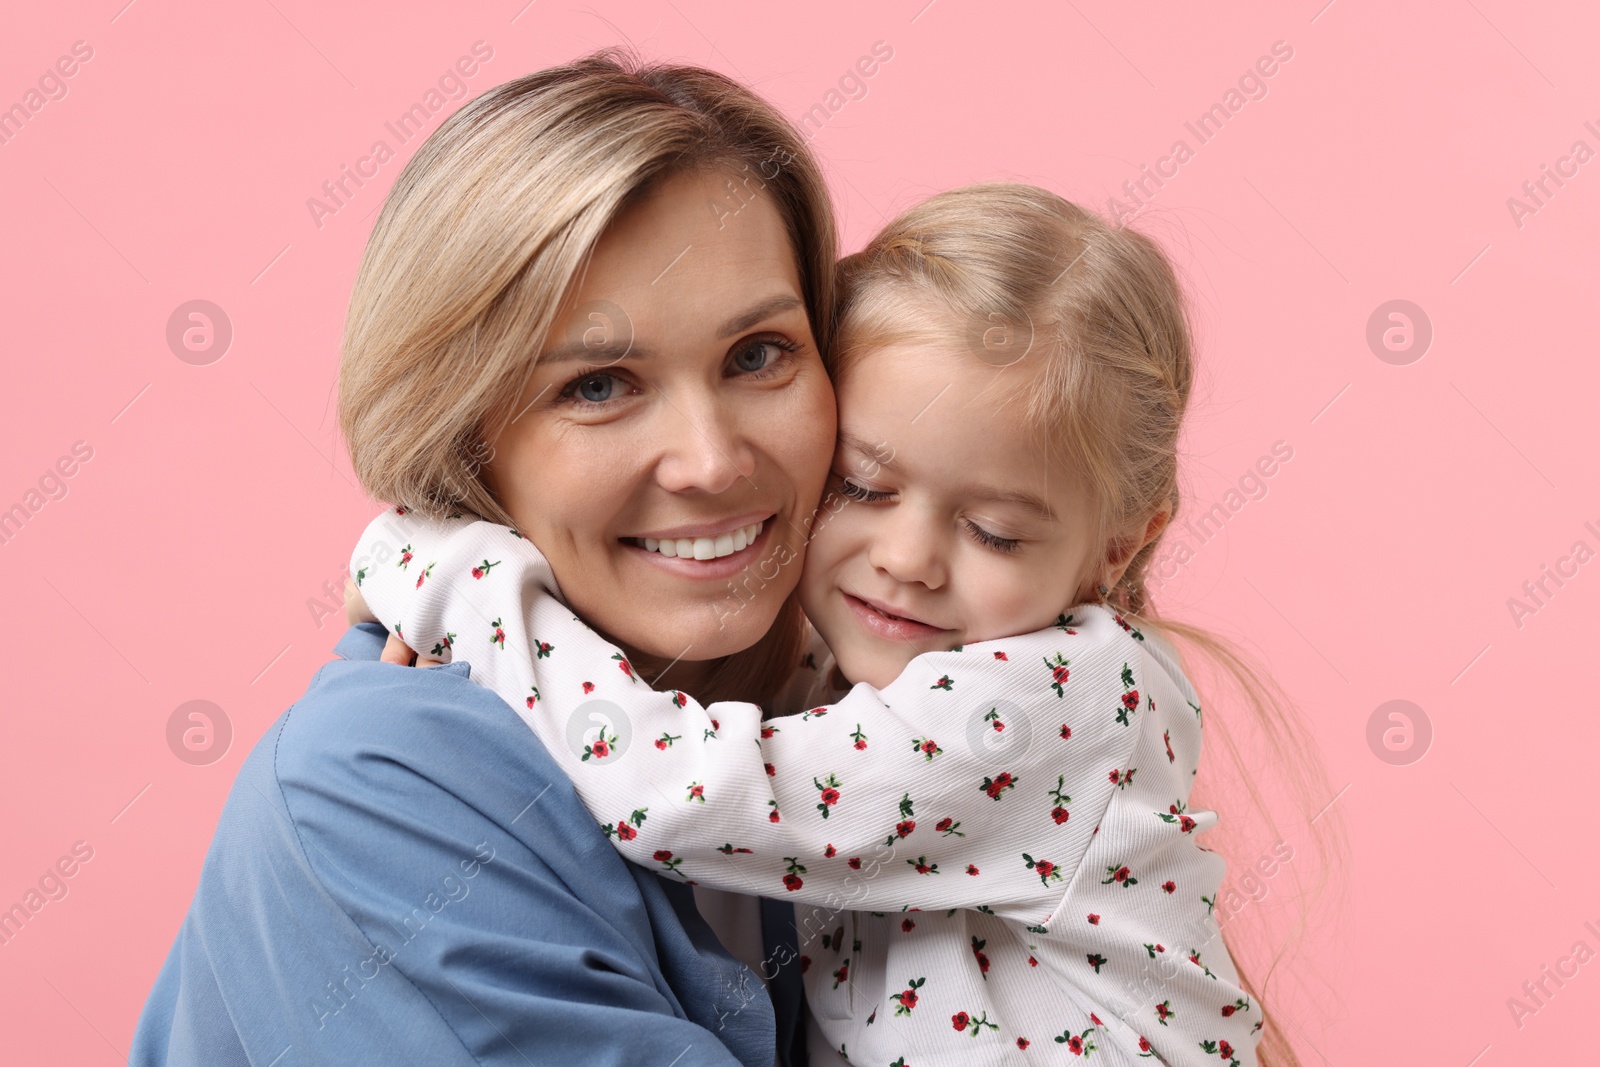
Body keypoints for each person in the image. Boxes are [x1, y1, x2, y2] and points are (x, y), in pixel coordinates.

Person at [345, 184, 1306, 1065]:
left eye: (994, 532)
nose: (908, 559)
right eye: (862, 485)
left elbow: (678, 793)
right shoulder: (875, 674)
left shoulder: (1052, 694)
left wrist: (453, 576)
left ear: (1118, 549)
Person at [130, 50, 844, 1065]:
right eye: (598, 385)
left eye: (757, 354)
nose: (712, 460)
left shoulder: (839, 734)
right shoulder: (377, 790)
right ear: (464, 438)